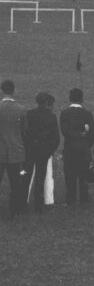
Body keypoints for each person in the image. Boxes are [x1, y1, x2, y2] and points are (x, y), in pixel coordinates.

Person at [24, 91, 59, 213]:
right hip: (44, 153)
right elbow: (56, 139)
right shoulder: (51, 117)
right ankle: (38, 206)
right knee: (40, 179)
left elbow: (25, 134)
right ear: (47, 103)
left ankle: (23, 203)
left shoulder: (29, 114)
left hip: (29, 151)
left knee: (26, 177)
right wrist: (49, 152)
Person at [60, 87, 94, 207]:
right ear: (82, 99)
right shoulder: (87, 114)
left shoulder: (64, 113)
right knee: (83, 175)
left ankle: (71, 199)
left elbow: (65, 132)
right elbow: (91, 133)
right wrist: (85, 140)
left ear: (70, 99)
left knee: (70, 175)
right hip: (84, 149)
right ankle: (84, 199)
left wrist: (76, 136)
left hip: (70, 148)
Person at [0, 79, 28, 218]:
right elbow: (24, 130)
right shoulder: (21, 109)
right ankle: (15, 211)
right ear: (14, 90)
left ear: (2, 90)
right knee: (15, 182)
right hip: (15, 150)